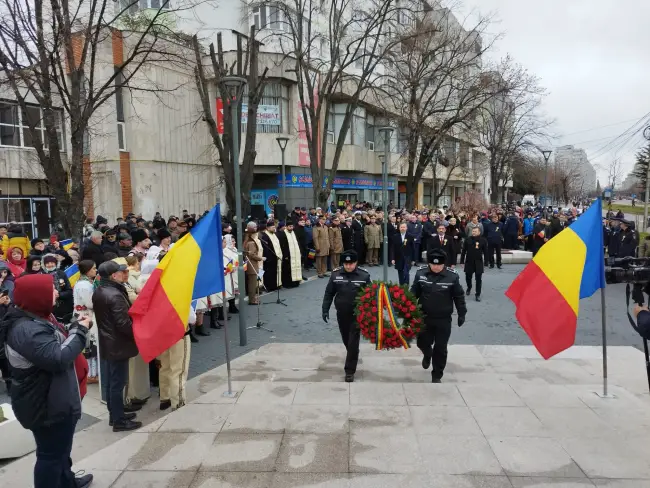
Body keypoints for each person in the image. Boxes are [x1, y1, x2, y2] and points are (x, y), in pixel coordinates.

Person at [1, 274, 93, 488]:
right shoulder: (27, 329)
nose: (56, 292)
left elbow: (57, 341)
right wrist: (80, 331)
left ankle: (66, 481)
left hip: (55, 399)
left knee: (60, 449)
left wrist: (72, 328)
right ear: (36, 296)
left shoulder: (39, 317)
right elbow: (57, 358)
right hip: (45, 404)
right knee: (50, 455)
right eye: (50, 289)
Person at [93, 260, 142, 432]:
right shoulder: (113, 294)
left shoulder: (101, 290)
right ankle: (119, 421)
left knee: (114, 382)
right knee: (117, 383)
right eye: (121, 272)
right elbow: (123, 323)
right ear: (114, 275)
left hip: (110, 342)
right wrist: (138, 334)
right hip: (117, 344)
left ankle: (116, 415)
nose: (124, 274)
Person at [411, 249, 467, 383]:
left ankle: (437, 374)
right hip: (424, 317)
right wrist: (406, 308)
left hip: (443, 319)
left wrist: (461, 313)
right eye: (433, 264)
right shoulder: (421, 274)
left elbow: (458, 296)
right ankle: (427, 354)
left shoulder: (452, 277)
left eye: (439, 265)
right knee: (422, 342)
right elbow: (414, 293)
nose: (436, 267)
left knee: (441, 348)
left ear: (444, 264)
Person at [321, 249, 371, 382]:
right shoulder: (335, 275)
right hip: (342, 313)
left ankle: (349, 371)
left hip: (357, 314)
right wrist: (325, 309)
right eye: (346, 264)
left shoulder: (364, 276)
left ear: (356, 263)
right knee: (346, 339)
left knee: (353, 341)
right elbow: (329, 293)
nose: (348, 266)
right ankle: (353, 353)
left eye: (351, 263)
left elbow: (370, 295)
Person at [73, 260, 99, 384]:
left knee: (90, 345)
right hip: (85, 316)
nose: (95, 270)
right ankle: (90, 374)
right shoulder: (84, 285)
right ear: (88, 270)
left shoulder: (85, 282)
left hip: (85, 315)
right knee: (89, 345)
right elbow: (90, 303)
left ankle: (92, 373)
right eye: (94, 268)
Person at [42, 254, 74, 323]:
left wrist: (59, 295)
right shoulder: (41, 275)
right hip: (50, 308)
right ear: (44, 265)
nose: (50, 265)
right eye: (47, 263)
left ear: (56, 263)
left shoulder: (61, 273)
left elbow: (69, 291)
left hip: (64, 307)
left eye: (52, 262)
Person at [460, 226, 489, 302]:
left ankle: (478, 294)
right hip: (469, 261)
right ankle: (469, 287)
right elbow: (463, 251)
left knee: (478, 279)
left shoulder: (483, 240)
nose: (473, 232)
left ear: (479, 232)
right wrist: (462, 261)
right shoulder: (467, 239)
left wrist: (486, 262)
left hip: (478, 262)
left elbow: (486, 252)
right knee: (468, 277)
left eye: (475, 231)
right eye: (473, 231)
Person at [243, 222, 264, 305]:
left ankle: (253, 298)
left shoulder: (247, 240)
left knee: (252, 282)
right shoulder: (251, 242)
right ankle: (252, 300)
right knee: (252, 284)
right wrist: (261, 258)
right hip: (252, 264)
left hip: (251, 264)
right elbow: (252, 254)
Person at [277, 221, 302, 288]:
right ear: (286, 227)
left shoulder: (294, 233)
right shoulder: (283, 234)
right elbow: (283, 246)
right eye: (290, 226)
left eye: (292, 226)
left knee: (296, 268)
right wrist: (285, 255)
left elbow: (297, 243)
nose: (291, 228)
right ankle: (288, 284)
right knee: (287, 270)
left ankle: (296, 281)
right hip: (288, 256)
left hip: (295, 255)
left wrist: (299, 252)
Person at [260, 220, 283, 292]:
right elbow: (266, 249)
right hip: (270, 258)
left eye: (274, 227)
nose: (274, 229)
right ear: (268, 228)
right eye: (273, 227)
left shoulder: (274, 234)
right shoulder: (265, 236)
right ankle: (270, 287)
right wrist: (269, 258)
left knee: (276, 271)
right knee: (270, 273)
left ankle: (277, 284)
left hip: (277, 257)